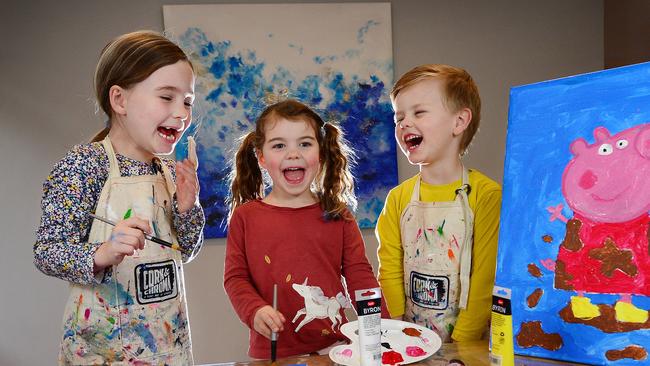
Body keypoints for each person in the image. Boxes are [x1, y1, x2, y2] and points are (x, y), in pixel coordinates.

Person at [33, 30, 205, 365]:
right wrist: (103, 252)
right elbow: (47, 251)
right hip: (101, 351)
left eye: (187, 101)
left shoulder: (170, 172)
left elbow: (185, 253)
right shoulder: (85, 165)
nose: (182, 113)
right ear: (120, 100)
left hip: (168, 347)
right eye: (167, 97)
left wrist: (188, 208)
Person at [224, 99, 387, 359]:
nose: (293, 153)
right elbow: (236, 278)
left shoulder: (338, 215)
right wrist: (254, 310)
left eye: (305, 143)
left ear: (320, 153)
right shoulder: (246, 218)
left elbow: (360, 277)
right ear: (261, 157)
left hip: (334, 348)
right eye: (279, 145)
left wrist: (382, 328)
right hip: (271, 352)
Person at [376, 64, 501, 342]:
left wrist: (460, 344)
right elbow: (390, 267)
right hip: (411, 338)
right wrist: (400, 330)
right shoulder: (398, 199)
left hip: (467, 344)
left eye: (419, 112)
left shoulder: (486, 194)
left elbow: (484, 278)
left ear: (459, 121)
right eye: (399, 117)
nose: (405, 123)